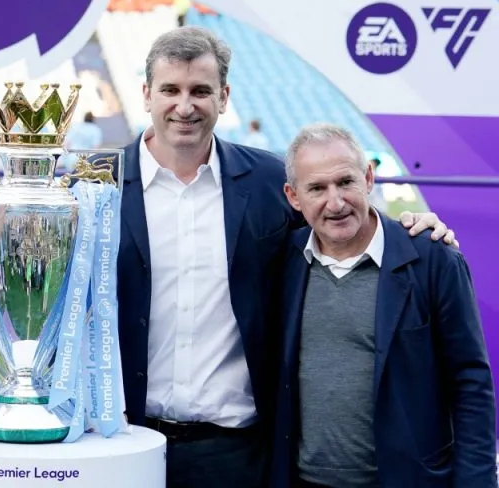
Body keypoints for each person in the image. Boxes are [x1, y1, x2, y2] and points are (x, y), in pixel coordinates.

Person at [116, 26, 455, 488]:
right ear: (146, 95)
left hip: (237, 454)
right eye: (170, 90)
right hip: (126, 443)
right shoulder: (99, 183)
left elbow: (339, 225)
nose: (185, 105)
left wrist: (411, 230)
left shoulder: (268, 181)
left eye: (201, 91)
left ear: (224, 97)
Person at [271, 124, 496, 488]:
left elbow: (470, 383)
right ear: (294, 197)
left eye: (345, 182)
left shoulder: (433, 260)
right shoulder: (282, 260)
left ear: (368, 178)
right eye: (317, 188)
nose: (335, 202)